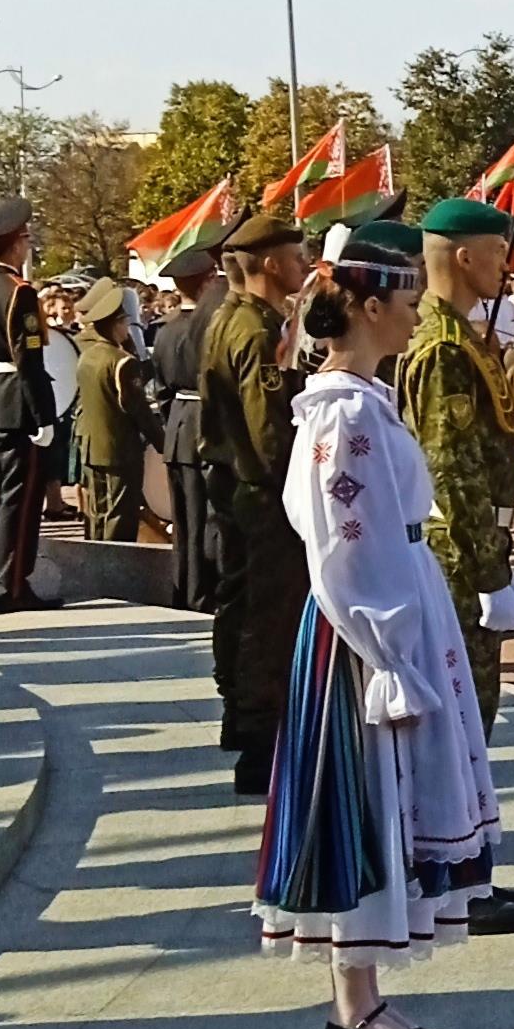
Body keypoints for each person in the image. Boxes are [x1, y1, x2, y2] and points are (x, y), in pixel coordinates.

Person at [254, 215, 505, 1029]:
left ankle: (362, 998)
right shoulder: (344, 414)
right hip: (366, 635)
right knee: (369, 806)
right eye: (400, 296)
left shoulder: (360, 404)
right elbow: (343, 546)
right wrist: (390, 650)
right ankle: (356, 1008)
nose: (411, 311)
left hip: (391, 614)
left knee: (384, 804)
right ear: (363, 304)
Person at [396, 199, 514, 743]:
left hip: (471, 543)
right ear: (465, 257)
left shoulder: (462, 339)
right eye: (499, 252)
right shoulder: (445, 348)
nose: (508, 263)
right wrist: (491, 573)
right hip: (459, 552)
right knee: (464, 716)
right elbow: (451, 470)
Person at [201, 207, 312, 791]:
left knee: (239, 602)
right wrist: (297, 488)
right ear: (270, 264)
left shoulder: (229, 318)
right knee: (270, 615)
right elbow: (270, 430)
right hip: (260, 491)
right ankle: (260, 744)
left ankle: (239, 720)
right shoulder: (258, 330)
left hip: (233, 482)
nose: (303, 266)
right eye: (296, 258)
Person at [0, 197, 62, 620]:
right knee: (20, 502)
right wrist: (44, 415)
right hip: (19, 403)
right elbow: (30, 360)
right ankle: (13, 583)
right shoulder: (18, 293)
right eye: (25, 239)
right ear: (15, 245)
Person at [149, 242, 223, 606]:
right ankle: (200, 592)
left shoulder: (163, 331)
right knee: (204, 518)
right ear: (207, 281)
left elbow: (161, 389)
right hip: (201, 427)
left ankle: (183, 587)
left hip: (177, 426)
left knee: (183, 519)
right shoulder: (211, 326)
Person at [72, 278, 156, 544]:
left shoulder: (87, 355)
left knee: (97, 512)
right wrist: (163, 442)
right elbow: (137, 409)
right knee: (120, 514)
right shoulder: (121, 362)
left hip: (91, 444)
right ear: (116, 324)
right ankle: (114, 570)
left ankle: (96, 562)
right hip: (119, 449)